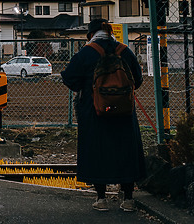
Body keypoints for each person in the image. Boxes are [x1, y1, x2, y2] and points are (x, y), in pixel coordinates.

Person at [61, 18, 146, 212]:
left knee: (97, 151)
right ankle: (129, 199)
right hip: (124, 112)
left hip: (95, 112)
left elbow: (69, 78)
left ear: (91, 35)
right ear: (110, 32)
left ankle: (101, 198)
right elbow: (137, 79)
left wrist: (86, 87)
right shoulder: (124, 51)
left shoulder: (87, 52)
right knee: (125, 149)